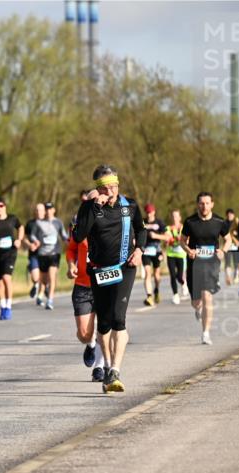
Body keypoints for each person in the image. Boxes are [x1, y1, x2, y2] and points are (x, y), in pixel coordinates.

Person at [72, 164, 146, 393]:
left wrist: (140, 250)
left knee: (118, 318)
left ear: (117, 185)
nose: (109, 190)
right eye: (103, 187)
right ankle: (105, 364)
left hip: (124, 267)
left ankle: (115, 370)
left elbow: (141, 230)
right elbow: (78, 235)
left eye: (112, 185)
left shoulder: (130, 206)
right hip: (98, 270)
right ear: (98, 189)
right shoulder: (89, 207)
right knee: (103, 324)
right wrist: (94, 207)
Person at [66, 192, 106, 382]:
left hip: (105, 282)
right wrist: (71, 265)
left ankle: (100, 367)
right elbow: (72, 248)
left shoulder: (110, 221)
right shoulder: (78, 222)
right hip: (82, 285)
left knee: (105, 327)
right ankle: (90, 344)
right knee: (84, 334)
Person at [181, 192, 230, 345]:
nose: (204, 206)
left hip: (211, 264)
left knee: (207, 296)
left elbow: (227, 239)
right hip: (194, 265)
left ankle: (205, 333)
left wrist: (223, 251)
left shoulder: (219, 222)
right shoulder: (190, 222)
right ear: (197, 204)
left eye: (207, 203)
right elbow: (182, 241)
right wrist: (189, 251)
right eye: (201, 203)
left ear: (212, 204)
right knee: (196, 301)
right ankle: (198, 308)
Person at [0, 197, 22, 320]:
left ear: (5, 206)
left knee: (7, 278)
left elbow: (20, 227)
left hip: (10, 253)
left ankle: (9, 306)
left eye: (1, 206)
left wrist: (19, 239)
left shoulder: (12, 219)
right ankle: (2, 307)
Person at [28, 202, 67, 310]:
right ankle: (45, 289)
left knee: (52, 276)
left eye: (50, 209)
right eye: (47, 209)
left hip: (54, 253)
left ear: (54, 210)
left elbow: (63, 235)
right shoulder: (39, 223)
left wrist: (69, 242)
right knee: (44, 280)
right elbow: (32, 235)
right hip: (42, 254)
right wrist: (36, 241)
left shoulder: (58, 222)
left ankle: (50, 301)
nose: (48, 211)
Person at [140, 203, 168, 307]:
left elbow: (167, 237)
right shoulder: (142, 222)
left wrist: (156, 235)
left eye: (150, 212)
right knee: (147, 273)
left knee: (156, 274)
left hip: (157, 251)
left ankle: (156, 290)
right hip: (145, 251)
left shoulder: (159, 222)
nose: (149, 215)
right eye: (147, 212)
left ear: (154, 212)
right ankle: (149, 296)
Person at [163, 209, 187, 305]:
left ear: (180, 217)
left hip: (181, 255)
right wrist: (169, 240)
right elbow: (166, 238)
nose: (174, 218)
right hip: (171, 254)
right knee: (172, 275)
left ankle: (183, 283)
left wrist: (180, 238)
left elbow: (187, 239)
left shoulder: (184, 228)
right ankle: (175, 295)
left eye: (176, 216)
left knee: (179, 276)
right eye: (173, 216)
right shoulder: (168, 228)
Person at [24, 203, 45, 302]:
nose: (38, 212)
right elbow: (24, 238)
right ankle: (36, 284)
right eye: (37, 210)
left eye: (40, 210)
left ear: (44, 211)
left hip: (46, 254)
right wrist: (29, 245)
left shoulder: (48, 223)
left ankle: (40, 296)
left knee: (44, 275)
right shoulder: (30, 223)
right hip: (33, 254)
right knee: (35, 276)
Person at [223, 208, 238, 286]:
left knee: (236, 263)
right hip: (227, 246)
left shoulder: (237, 222)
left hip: (236, 246)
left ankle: (235, 276)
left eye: (231, 214)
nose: (230, 216)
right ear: (226, 215)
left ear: (233, 215)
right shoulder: (224, 223)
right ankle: (228, 277)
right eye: (228, 215)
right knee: (227, 263)